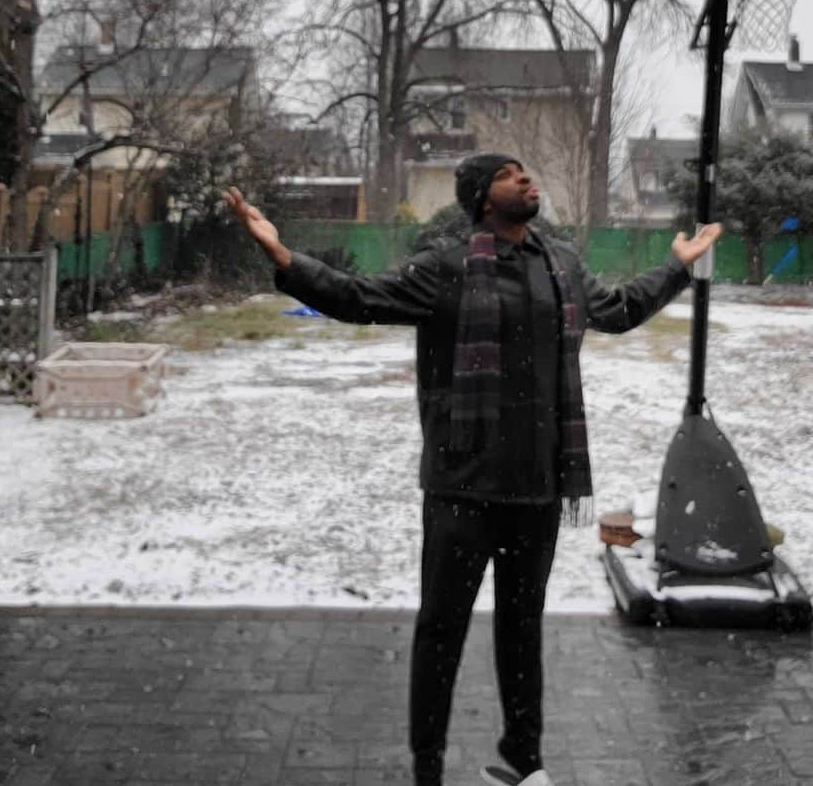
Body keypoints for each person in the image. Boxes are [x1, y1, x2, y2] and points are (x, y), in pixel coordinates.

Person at [223, 153, 722, 786]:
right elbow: (356, 299)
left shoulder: (560, 264)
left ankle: (522, 761)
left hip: (538, 487)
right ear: (483, 197)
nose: (528, 178)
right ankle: (427, 768)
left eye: (528, 172)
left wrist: (677, 266)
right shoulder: (446, 269)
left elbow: (619, 309)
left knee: (522, 632)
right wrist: (285, 259)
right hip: (463, 486)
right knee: (441, 631)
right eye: (513, 174)